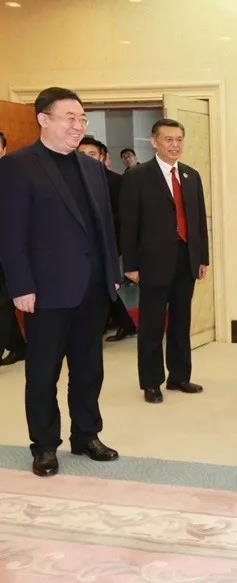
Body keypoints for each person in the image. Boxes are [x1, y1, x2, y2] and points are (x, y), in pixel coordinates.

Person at [0, 87, 121, 477]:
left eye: (82, 118)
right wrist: (21, 286)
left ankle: (86, 435)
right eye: (70, 117)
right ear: (43, 119)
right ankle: (45, 445)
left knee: (89, 370)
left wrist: (112, 274)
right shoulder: (18, 166)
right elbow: (11, 233)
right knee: (43, 373)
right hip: (45, 291)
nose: (78, 125)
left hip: (92, 289)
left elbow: (105, 227)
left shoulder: (91, 167)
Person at [120, 119, 209, 404]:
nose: (175, 145)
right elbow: (128, 224)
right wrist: (130, 265)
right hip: (152, 263)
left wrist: (202, 258)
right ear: (154, 142)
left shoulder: (191, 176)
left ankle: (179, 377)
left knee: (181, 321)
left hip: (186, 261)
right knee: (152, 325)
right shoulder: (137, 176)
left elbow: (198, 222)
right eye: (168, 139)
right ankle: (151, 382)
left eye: (179, 139)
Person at [78, 137, 137, 342]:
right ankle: (122, 324)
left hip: (111, 242)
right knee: (103, 287)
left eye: (92, 154)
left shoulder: (116, 181)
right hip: (83, 247)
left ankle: (117, 325)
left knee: (106, 286)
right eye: (82, 154)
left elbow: (126, 215)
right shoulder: (72, 180)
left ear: (102, 157)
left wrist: (101, 219)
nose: (86, 158)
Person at [0, 130, 28, 366]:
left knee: (2, 302)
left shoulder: (13, 175)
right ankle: (19, 347)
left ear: (4, 149)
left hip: (8, 249)